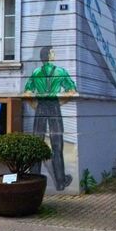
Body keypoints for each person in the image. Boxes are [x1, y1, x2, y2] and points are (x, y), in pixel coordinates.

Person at [23, 46, 76, 190]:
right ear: (49, 55)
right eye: (53, 52)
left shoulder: (36, 72)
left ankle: (34, 179)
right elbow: (71, 91)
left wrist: (35, 105)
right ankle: (60, 181)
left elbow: (27, 92)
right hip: (54, 107)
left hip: (40, 107)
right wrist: (59, 103)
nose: (55, 54)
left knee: (36, 144)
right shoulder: (60, 72)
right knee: (57, 145)